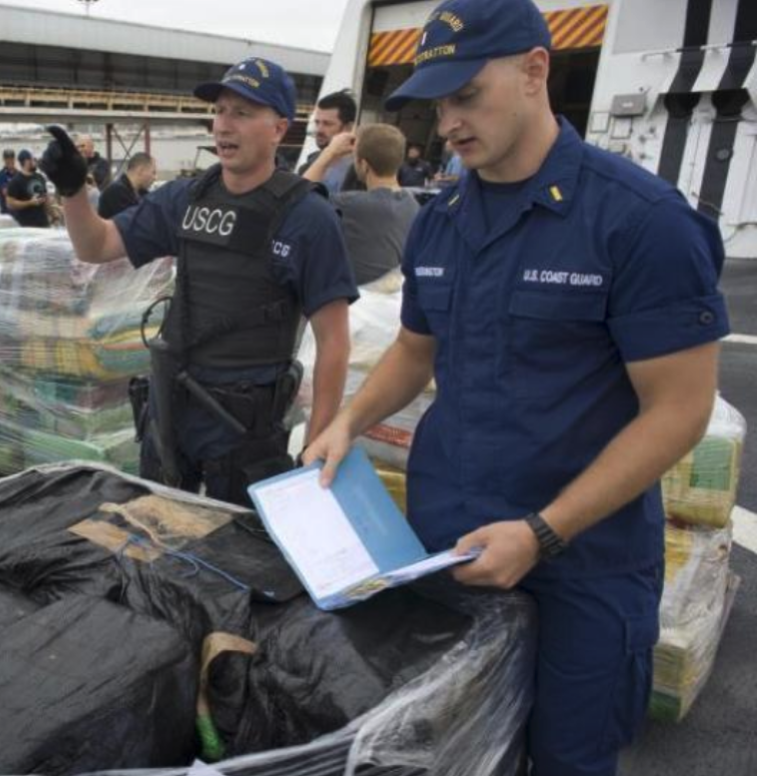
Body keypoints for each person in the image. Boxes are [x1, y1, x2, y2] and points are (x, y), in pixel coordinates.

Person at [303, 1, 729, 774]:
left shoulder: (639, 222)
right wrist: (348, 419)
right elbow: (414, 349)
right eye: (439, 102)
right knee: (447, 749)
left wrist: (543, 532)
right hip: (445, 549)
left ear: (536, 70)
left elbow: (681, 410)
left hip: (581, 566)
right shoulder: (441, 219)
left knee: (568, 757)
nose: (449, 123)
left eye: (467, 94)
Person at [40, 56, 356, 506]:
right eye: (220, 111)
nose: (224, 126)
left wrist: (316, 446)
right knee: (158, 541)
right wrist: (72, 190)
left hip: (243, 431)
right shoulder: (185, 198)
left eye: (243, 113)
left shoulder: (309, 218)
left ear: (279, 129)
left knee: (240, 559)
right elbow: (96, 246)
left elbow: (334, 343)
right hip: (170, 411)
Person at [303, 124, 420, 286]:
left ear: (364, 165)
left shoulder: (353, 205)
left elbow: (299, 197)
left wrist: (329, 153)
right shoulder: (413, 204)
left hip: (355, 305)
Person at [297, 90, 361, 194]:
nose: (319, 130)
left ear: (348, 127)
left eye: (327, 124)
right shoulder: (310, 162)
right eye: (317, 122)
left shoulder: (362, 169)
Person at [97, 152, 157, 219]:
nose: (155, 177)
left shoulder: (141, 193)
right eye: (153, 172)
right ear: (141, 171)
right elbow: (133, 224)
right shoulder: (116, 192)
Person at [5, 150, 50, 228]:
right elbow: (10, 204)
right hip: (26, 225)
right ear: (26, 161)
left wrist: (53, 213)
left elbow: (45, 197)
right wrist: (30, 202)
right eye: (33, 159)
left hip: (43, 223)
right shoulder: (16, 181)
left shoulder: (40, 177)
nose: (35, 162)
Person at [0, 149, 19, 214]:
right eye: (7, 158)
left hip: (20, 213)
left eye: (11, 158)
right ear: (4, 159)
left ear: (14, 159)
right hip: (6, 213)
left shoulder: (19, 174)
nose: (9, 160)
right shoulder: (0, 175)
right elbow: (5, 192)